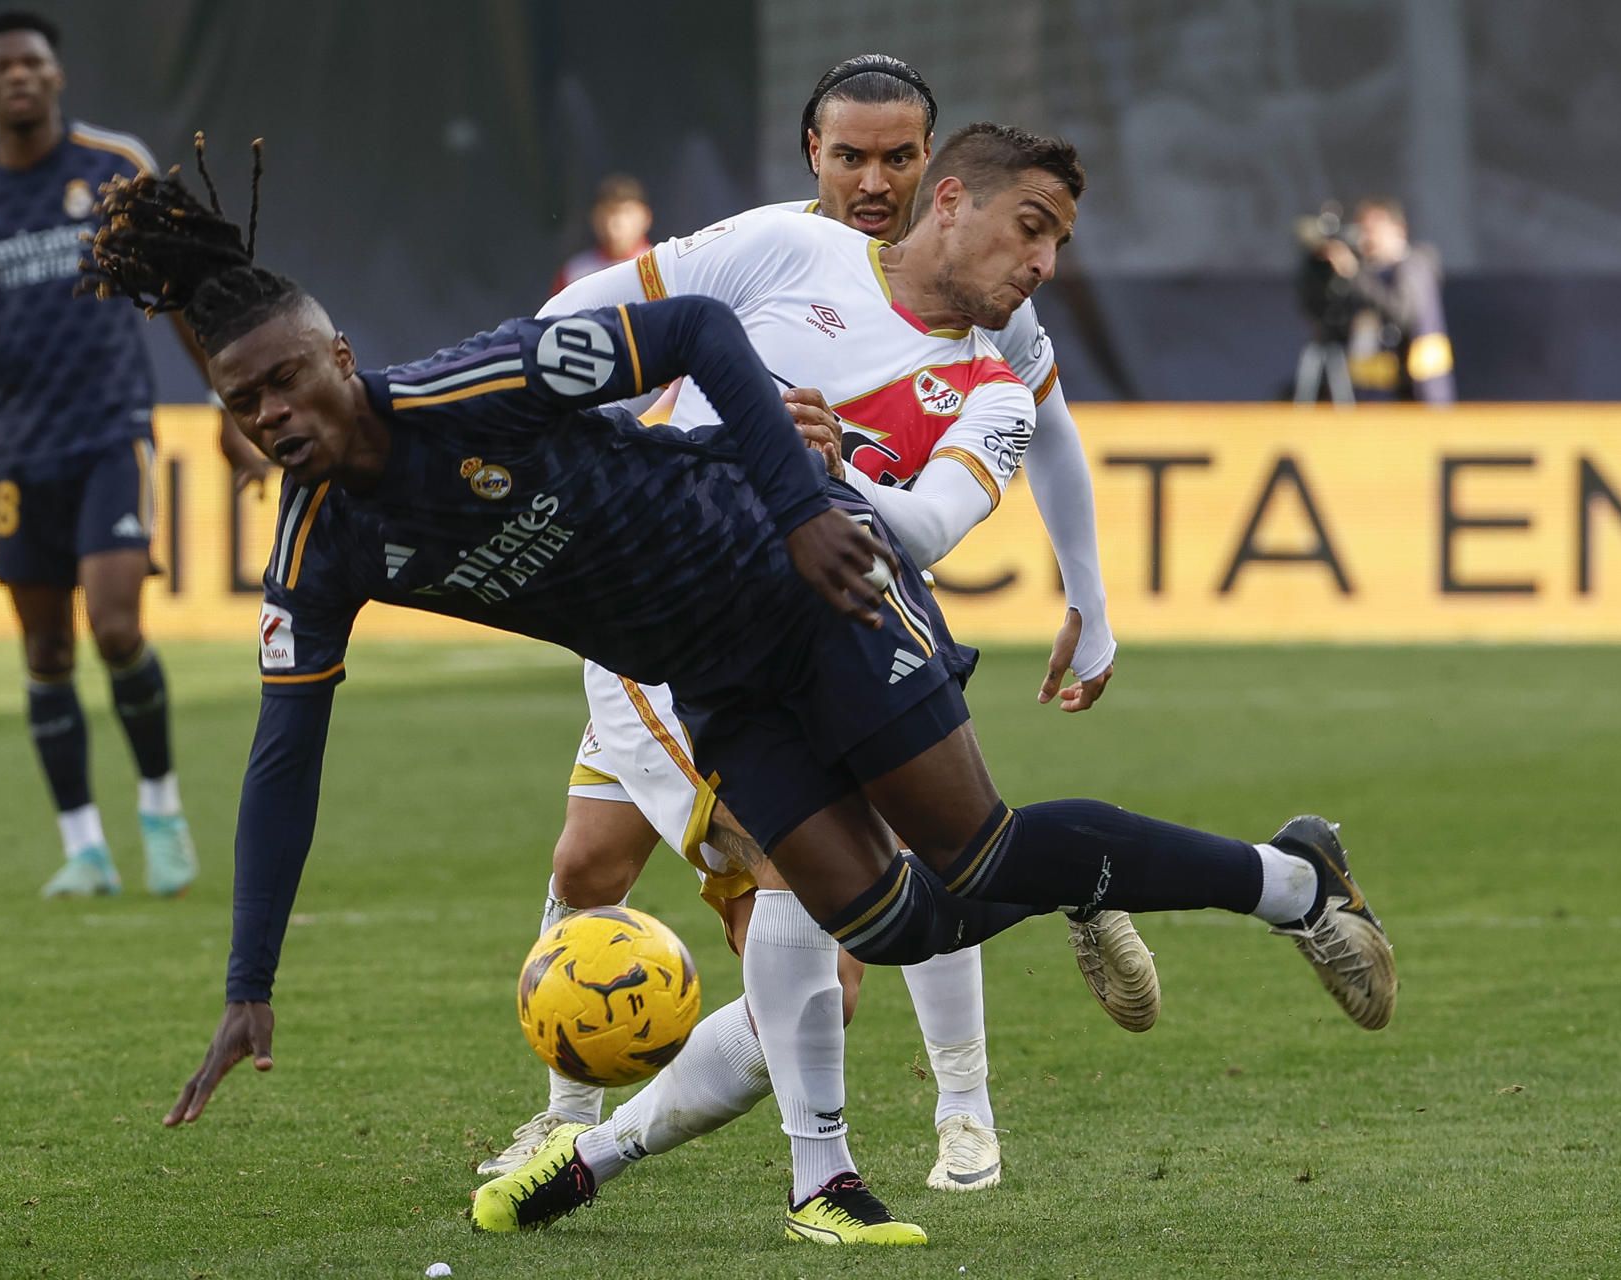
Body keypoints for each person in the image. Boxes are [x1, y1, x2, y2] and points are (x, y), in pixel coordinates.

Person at [108, 139, 1394, 1244]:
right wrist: (247, 981)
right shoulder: (315, 552)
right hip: (709, 671)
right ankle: (1171, 878)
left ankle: (1294, 887)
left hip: (800, 580)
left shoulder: (478, 386)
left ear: (337, 353)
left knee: (979, 842)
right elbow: (285, 759)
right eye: (242, 401)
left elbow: (696, 331)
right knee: (890, 923)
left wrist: (798, 509)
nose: (272, 413)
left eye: (286, 378)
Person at [477, 67, 1139, 1235]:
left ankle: (946, 1112)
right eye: (851, 158)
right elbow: (571, 339)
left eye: (899, 159)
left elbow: (1048, 431)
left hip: (840, 610)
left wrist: (1088, 593)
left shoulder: (988, 290)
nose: (874, 183)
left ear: (939, 174)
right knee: (666, 883)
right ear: (811, 156)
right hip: (685, 617)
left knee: (702, 881)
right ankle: (582, 1123)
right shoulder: (769, 247)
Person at [0, 10, 261, 898]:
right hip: (19, 448)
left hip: (112, 430)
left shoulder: (114, 167)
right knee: (46, 652)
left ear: (57, 77)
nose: (18, 77)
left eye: (33, 62)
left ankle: (162, 811)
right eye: (1, 67)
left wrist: (228, 400)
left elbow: (178, 292)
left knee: (116, 625)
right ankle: (84, 848)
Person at [1321, 198, 1455, 404]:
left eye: (1374, 229)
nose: (1368, 238)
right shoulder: (1369, 274)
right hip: (1369, 396)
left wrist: (1355, 275)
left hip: (1417, 396)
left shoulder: (1414, 266)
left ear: (1399, 230)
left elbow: (1401, 312)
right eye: (1363, 230)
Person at [551, 174, 654, 293]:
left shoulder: (661, 266)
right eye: (607, 212)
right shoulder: (575, 272)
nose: (616, 221)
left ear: (646, 217)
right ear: (594, 217)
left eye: (626, 212)